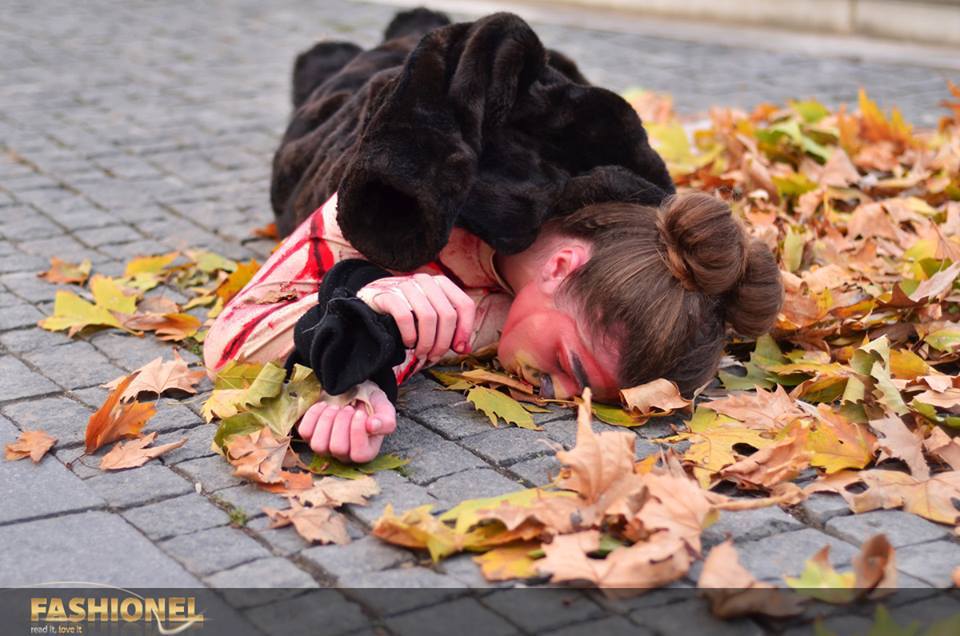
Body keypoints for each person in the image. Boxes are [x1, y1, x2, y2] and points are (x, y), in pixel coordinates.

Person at [204, 188, 784, 464]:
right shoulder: (402, 201)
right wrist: (375, 296)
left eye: (584, 397)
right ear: (561, 266)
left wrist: (358, 379)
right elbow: (229, 343)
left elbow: (405, 351)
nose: (555, 394)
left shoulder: (538, 304)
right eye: (569, 366)